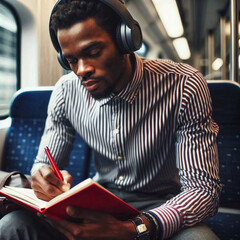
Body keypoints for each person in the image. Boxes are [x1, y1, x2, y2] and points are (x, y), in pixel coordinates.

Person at [0, 0, 221, 239]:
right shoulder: (65, 91)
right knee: (12, 226)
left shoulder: (184, 85)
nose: (81, 70)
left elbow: (203, 190)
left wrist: (134, 228)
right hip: (99, 203)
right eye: (71, 61)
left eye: (93, 53)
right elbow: (43, 164)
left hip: (162, 206)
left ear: (125, 41)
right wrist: (43, 178)